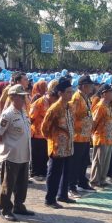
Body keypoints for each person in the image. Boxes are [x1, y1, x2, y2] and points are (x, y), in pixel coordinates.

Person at [0, 84, 33, 221]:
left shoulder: (23, 112)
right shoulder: (8, 114)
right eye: (21, 97)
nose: (24, 99)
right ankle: (5, 208)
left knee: (22, 183)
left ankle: (19, 205)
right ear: (12, 97)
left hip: (24, 154)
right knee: (8, 184)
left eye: (24, 97)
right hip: (11, 155)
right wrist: (8, 145)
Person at [41, 78, 75, 209]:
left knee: (66, 172)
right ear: (60, 93)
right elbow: (44, 128)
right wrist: (54, 139)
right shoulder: (54, 108)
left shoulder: (69, 107)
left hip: (68, 146)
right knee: (54, 173)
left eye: (71, 92)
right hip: (57, 146)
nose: (70, 94)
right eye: (68, 92)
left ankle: (63, 195)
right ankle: (50, 199)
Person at [68, 75, 95, 197]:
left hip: (85, 135)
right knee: (75, 163)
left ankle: (82, 182)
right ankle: (71, 186)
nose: (92, 88)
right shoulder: (77, 98)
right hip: (77, 136)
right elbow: (72, 117)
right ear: (84, 86)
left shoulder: (86, 98)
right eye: (90, 86)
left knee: (83, 161)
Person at [28, 80, 57, 182]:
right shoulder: (39, 102)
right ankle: (35, 173)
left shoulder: (52, 104)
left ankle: (43, 172)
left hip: (47, 135)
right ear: (50, 95)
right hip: (36, 133)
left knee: (45, 155)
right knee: (36, 155)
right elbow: (31, 118)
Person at [90, 84, 112, 188]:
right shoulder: (100, 107)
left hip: (108, 138)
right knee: (99, 160)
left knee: (105, 161)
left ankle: (102, 179)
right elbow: (94, 122)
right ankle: (95, 180)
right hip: (101, 137)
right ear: (104, 94)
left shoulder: (107, 106)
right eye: (110, 92)